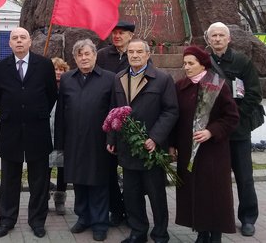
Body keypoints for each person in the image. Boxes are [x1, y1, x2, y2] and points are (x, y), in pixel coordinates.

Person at [108, 38, 179, 243]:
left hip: (151, 149)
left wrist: (155, 138)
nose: (135, 55)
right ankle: (138, 231)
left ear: (148, 54)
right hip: (127, 146)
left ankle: (160, 233)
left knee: (156, 193)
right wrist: (111, 137)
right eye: (131, 52)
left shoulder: (162, 79)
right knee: (131, 193)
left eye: (139, 52)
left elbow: (171, 111)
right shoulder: (119, 78)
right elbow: (113, 112)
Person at [0, 27, 58, 239]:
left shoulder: (45, 65)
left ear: (30, 42)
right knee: (9, 180)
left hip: (37, 130)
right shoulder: (0, 67)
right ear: (9, 43)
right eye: (14, 38)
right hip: (11, 130)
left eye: (23, 37)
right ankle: (7, 220)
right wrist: (13, 112)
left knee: (39, 181)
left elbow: (51, 95)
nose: (19, 41)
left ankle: (37, 221)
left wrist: (35, 113)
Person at [170, 46, 239, 243]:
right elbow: (175, 118)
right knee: (194, 191)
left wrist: (211, 131)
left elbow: (232, 117)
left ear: (203, 65)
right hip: (187, 151)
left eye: (191, 63)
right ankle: (201, 231)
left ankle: (215, 233)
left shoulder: (217, 85)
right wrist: (172, 144)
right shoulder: (180, 86)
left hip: (213, 152)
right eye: (184, 63)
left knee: (213, 193)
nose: (187, 67)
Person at [206, 22, 262, 237]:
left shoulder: (242, 61)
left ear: (229, 39)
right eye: (214, 36)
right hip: (213, 132)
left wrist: (235, 119)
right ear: (209, 40)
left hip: (238, 131)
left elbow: (253, 94)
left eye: (221, 35)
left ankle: (248, 218)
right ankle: (220, 216)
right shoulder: (204, 61)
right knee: (216, 178)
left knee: (244, 177)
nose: (218, 39)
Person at [55, 40, 114, 242]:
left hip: (99, 140)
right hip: (74, 141)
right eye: (80, 55)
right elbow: (61, 112)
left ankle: (99, 223)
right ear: (75, 58)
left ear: (95, 56)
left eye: (88, 54)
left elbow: (114, 112)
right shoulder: (67, 79)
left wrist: (112, 138)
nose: (84, 58)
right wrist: (59, 142)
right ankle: (84, 217)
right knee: (79, 180)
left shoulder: (109, 79)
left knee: (98, 182)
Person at [96, 20, 135, 226]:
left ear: (130, 36)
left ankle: (132, 210)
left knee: (130, 173)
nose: (117, 36)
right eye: (114, 33)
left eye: (121, 33)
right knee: (109, 171)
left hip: (131, 121)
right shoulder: (102, 55)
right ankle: (116, 209)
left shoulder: (137, 54)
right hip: (108, 121)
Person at [49, 57, 70, 215]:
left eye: (61, 70)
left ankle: (60, 199)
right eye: (55, 69)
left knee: (63, 171)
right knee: (45, 169)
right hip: (47, 134)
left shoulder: (69, 88)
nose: (58, 72)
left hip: (64, 134)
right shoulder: (44, 87)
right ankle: (43, 198)